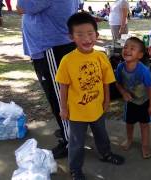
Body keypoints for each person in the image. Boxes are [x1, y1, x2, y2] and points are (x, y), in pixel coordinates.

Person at [56, 12, 125, 180]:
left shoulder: (101, 57)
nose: (86, 39)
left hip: (97, 108)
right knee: (76, 143)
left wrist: (107, 100)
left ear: (97, 35)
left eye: (90, 34)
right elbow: (63, 86)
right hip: (77, 113)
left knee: (102, 134)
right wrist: (63, 108)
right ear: (71, 37)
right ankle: (75, 170)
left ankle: (106, 154)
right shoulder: (67, 60)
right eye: (80, 35)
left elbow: (106, 81)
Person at [16, 0, 79, 159]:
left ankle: (70, 140)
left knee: (58, 96)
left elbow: (21, 7)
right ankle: (70, 130)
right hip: (56, 45)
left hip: (51, 46)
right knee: (63, 94)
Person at [115, 37, 151, 159]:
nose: (127, 50)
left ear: (140, 55)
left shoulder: (144, 70)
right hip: (130, 102)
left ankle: (145, 145)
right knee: (129, 123)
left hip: (144, 102)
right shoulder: (120, 67)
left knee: (144, 125)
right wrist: (123, 92)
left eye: (132, 48)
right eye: (125, 47)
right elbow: (117, 83)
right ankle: (129, 139)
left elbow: (150, 88)